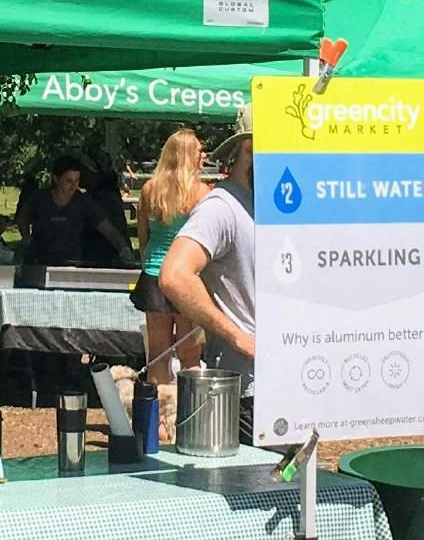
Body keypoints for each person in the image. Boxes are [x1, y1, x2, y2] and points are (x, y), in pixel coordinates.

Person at [158, 105, 258, 445]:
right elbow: (174, 275)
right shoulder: (222, 207)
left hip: (285, 384)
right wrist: (236, 335)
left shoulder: (268, 203)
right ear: (249, 148)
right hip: (246, 392)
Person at [132, 128, 211, 407]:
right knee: (190, 355)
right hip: (187, 278)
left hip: (153, 277)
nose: (204, 156)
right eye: (199, 151)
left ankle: (157, 422)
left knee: (158, 355)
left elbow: (143, 238)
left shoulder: (149, 189)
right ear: (188, 155)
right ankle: (190, 416)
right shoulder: (201, 192)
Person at [15, 154, 131, 268]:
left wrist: (123, 248)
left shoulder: (84, 201)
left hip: (71, 263)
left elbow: (108, 230)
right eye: (69, 181)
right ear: (56, 179)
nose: (74, 185)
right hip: (39, 262)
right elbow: (22, 219)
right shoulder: (39, 198)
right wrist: (26, 237)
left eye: (77, 180)